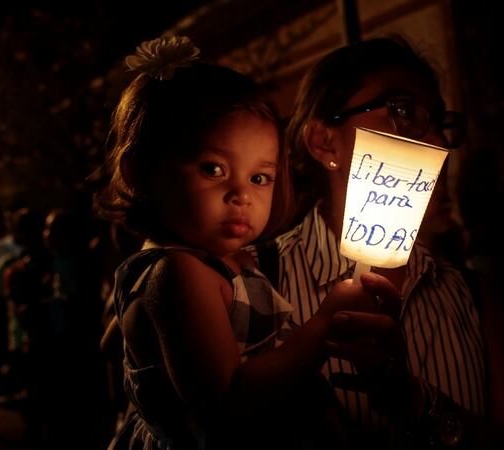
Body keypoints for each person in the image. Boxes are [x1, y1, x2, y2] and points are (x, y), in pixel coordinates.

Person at [95, 35, 398, 450]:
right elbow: (229, 400)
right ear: (140, 171)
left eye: (260, 177)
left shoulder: (224, 264)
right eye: (213, 169)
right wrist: (325, 326)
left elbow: (116, 347)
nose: (242, 194)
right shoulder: (179, 272)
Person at [265, 36, 504, 448]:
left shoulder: (473, 296)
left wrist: (417, 403)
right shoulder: (251, 280)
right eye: (402, 111)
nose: (437, 143)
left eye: (438, 121)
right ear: (325, 142)